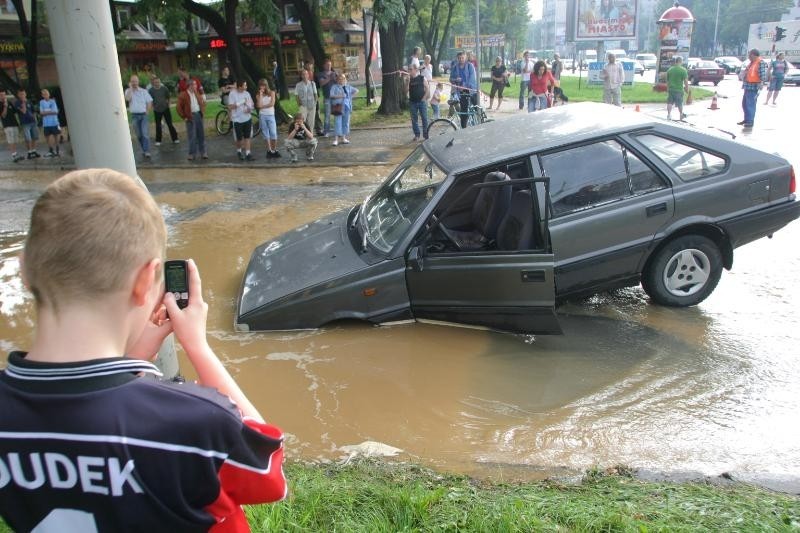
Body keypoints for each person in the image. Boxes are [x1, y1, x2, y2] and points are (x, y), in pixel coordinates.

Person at [0, 168, 286, 532]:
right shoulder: (195, 421)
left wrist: (130, 364)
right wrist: (197, 346)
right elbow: (269, 471)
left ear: (25, 271)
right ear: (144, 281)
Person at [176, 78, 207, 161]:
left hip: (198, 115)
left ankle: (203, 152)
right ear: (190, 86)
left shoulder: (197, 93)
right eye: (194, 85)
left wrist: (202, 112)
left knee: (201, 134)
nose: (196, 86)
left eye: (196, 85)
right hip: (190, 116)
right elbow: (178, 108)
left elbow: (202, 103)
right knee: (192, 136)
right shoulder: (183, 95)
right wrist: (184, 117)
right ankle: (192, 154)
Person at [124, 75, 153, 159]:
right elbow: (128, 99)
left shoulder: (143, 91)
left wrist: (148, 110)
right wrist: (130, 89)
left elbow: (149, 101)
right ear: (130, 82)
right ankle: (144, 150)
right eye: (132, 81)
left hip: (144, 115)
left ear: (138, 82)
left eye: (135, 81)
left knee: (144, 133)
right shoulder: (128, 91)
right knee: (139, 135)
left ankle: (146, 151)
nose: (134, 83)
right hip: (134, 116)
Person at [738, 48, 767, 128]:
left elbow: (763, 75)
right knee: (745, 104)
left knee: (750, 104)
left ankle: (750, 121)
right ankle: (747, 119)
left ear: (753, 55)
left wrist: (761, 83)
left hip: (753, 87)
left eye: (749, 55)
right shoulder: (751, 63)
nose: (748, 56)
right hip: (747, 86)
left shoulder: (760, 62)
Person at [449, 50, 478, 128]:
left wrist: (464, 86)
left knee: (477, 108)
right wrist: (455, 80)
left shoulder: (470, 66)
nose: (461, 59)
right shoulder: (455, 67)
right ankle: (464, 128)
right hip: (461, 92)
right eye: (459, 58)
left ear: (465, 57)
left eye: (462, 58)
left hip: (471, 90)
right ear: (457, 58)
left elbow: (472, 79)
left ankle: (480, 123)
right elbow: (451, 79)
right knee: (463, 110)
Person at [228, 79, 255, 161]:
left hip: (247, 118)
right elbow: (230, 107)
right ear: (240, 87)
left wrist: (249, 109)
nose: (246, 87)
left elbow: (252, 105)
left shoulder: (247, 93)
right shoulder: (232, 94)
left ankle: (248, 153)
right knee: (239, 139)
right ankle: (239, 151)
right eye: (245, 85)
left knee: (247, 137)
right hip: (237, 120)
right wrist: (241, 102)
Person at [148, 76, 179, 146]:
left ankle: (175, 138)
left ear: (160, 82)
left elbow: (168, 97)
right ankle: (158, 140)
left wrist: (169, 105)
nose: (157, 83)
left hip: (165, 109)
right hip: (157, 110)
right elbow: (150, 100)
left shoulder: (164, 89)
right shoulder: (151, 90)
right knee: (158, 126)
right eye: (155, 82)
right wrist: (152, 107)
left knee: (170, 124)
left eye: (158, 82)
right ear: (153, 83)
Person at [329, 73, 358, 146]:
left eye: (343, 78)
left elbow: (356, 90)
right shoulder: (334, 87)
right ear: (337, 80)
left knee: (345, 122)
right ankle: (336, 140)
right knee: (337, 122)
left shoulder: (348, 86)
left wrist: (350, 97)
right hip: (338, 106)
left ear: (345, 79)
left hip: (347, 106)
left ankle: (344, 138)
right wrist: (341, 96)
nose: (341, 80)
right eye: (340, 79)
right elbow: (331, 95)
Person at [256, 78, 280, 158]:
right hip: (262, 116)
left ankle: (274, 149)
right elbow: (259, 105)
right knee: (266, 134)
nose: (262, 87)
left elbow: (272, 104)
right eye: (261, 86)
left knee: (273, 133)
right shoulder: (258, 95)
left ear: (266, 85)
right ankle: (269, 150)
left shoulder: (272, 93)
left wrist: (263, 106)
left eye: (264, 85)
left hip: (270, 115)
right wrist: (261, 94)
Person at [13, 89, 40, 159]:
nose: (22, 95)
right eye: (21, 94)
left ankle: (34, 151)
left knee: (34, 137)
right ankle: (29, 152)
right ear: (18, 95)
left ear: (25, 94)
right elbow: (24, 111)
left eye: (23, 94)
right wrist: (23, 103)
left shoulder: (29, 101)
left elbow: (33, 111)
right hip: (25, 123)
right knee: (28, 138)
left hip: (33, 122)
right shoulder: (17, 103)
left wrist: (35, 119)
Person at [407, 64, 429, 141]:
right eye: (408, 69)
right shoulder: (408, 79)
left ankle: (426, 135)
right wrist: (407, 82)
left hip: (422, 102)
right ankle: (417, 135)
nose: (409, 71)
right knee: (414, 119)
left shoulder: (422, 78)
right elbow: (405, 91)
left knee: (424, 118)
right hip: (412, 102)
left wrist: (424, 98)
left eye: (410, 69)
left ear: (416, 70)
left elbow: (427, 89)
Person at [316, 58, 337, 136]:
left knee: (336, 115)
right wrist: (329, 78)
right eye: (327, 65)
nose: (329, 66)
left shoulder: (334, 73)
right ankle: (326, 131)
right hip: (327, 98)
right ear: (324, 66)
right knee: (327, 115)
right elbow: (322, 83)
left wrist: (336, 78)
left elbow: (339, 83)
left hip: (335, 97)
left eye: (330, 65)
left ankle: (336, 130)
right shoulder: (321, 74)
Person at [0, 90, 23, 162]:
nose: (3, 96)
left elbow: (15, 111)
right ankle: (14, 155)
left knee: (15, 140)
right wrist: (5, 106)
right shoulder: (1, 104)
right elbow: (3, 115)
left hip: (14, 123)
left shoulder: (9, 102)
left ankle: (16, 153)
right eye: (1, 95)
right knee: (11, 140)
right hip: (7, 125)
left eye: (4, 95)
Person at [294, 68, 318, 134]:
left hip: (312, 105)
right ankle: (302, 135)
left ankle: (311, 135)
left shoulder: (313, 84)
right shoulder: (298, 85)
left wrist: (315, 103)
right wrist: (300, 104)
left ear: (308, 75)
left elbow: (315, 94)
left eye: (306, 74)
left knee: (311, 122)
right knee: (301, 121)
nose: (305, 75)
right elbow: (296, 95)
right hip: (303, 106)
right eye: (303, 74)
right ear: (301, 76)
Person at [666, 56, 689, 121]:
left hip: (671, 89)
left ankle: (669, 114)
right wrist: (687, 90)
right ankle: (681, 115)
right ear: (681, 61)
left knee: (670, 102)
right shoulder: (683, 70)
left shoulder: (670, 70)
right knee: (679, 103)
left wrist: (668, 88)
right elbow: (686, 82)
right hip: (679, 90)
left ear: (675, 61)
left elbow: (667, 81)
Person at [38, 89, 60, 158]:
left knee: (56, 136)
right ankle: (51, 150)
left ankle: (57, 150)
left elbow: (55, 111)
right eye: (43, 94)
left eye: (46, 94)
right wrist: (50, 111)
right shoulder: (41, 102)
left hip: (54, 122)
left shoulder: (52, 101)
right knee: (47, 137)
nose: (45, 95)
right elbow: (41, 113)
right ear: (42, 95)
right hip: (46, 123)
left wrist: (46, 112)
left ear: (49, 94)